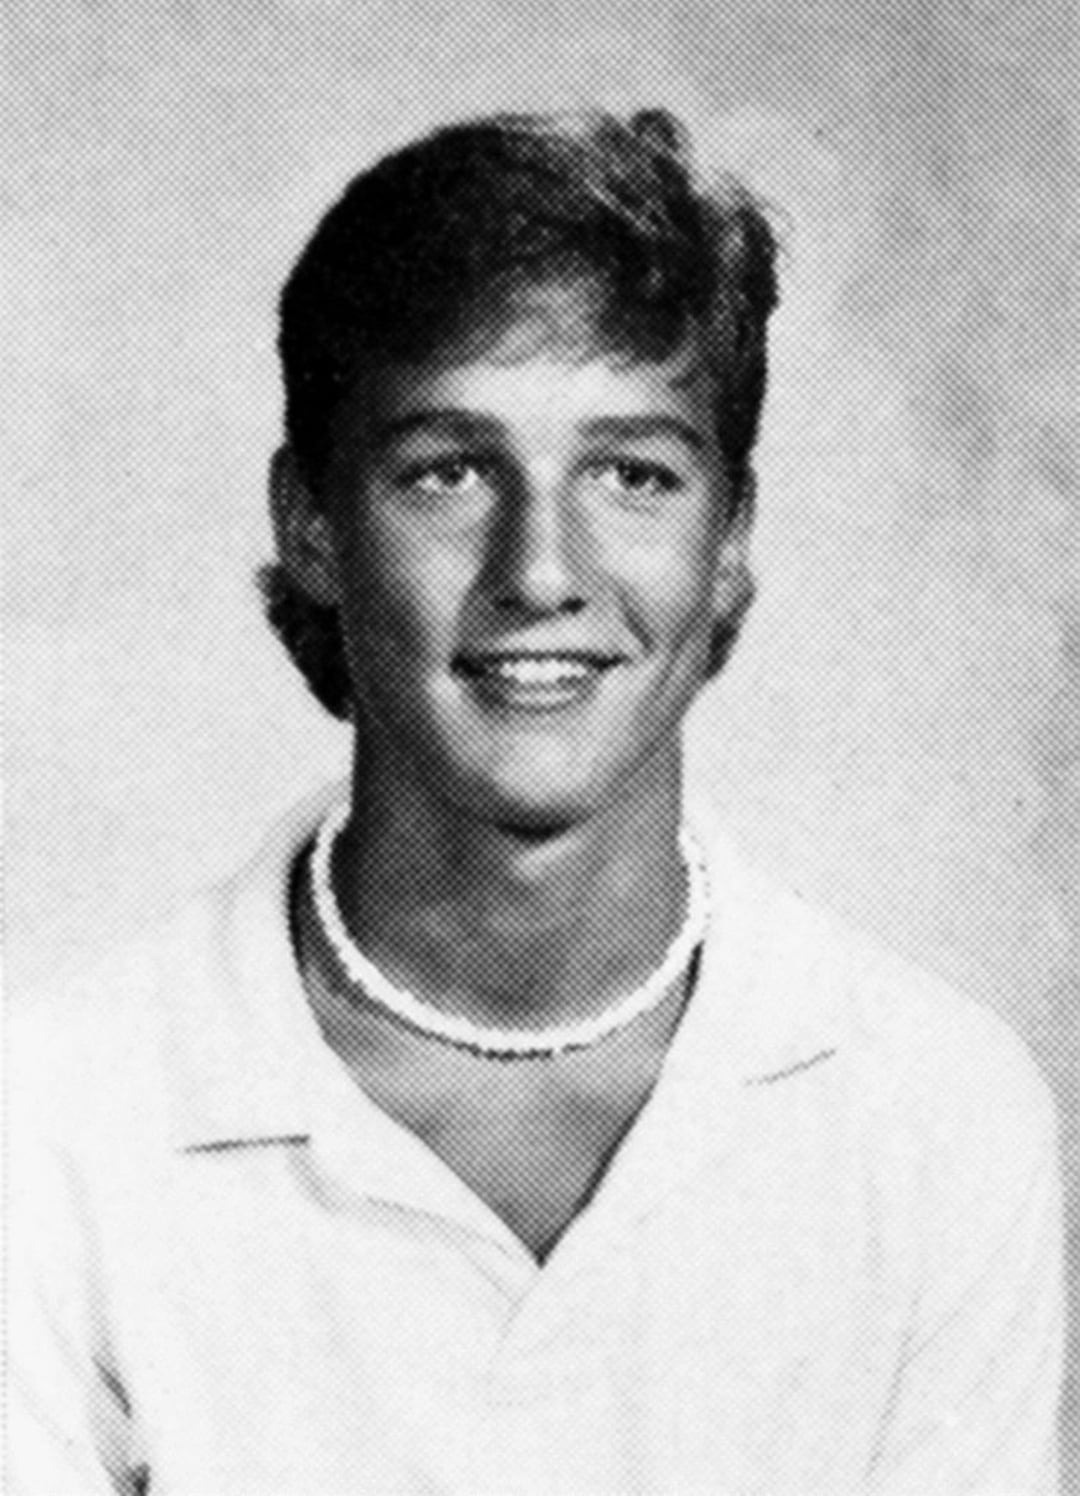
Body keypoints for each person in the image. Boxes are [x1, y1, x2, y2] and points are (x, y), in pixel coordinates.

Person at [9, 107, 1065, 1495]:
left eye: (633, 474)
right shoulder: (55, 1121)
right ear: (312, 524)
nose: (541, 570)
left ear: (729, 540)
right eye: (449, 470)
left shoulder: (935, 1115)